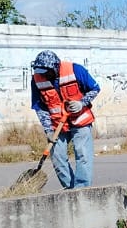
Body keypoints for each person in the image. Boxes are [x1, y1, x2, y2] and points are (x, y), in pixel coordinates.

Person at [30, 50, 101, 190]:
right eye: (40, 72)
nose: (43, 75)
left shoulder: (75, 70)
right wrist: (48, 130)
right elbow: (40, 108)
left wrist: (82, 103)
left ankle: (81, 190)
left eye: (46, 72)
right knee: (57, 157)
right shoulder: (37, 80)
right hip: (58, 125)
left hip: (80, 120)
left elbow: (95, 89)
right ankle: (70, 189)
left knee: (82, 154)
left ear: (55, 67)